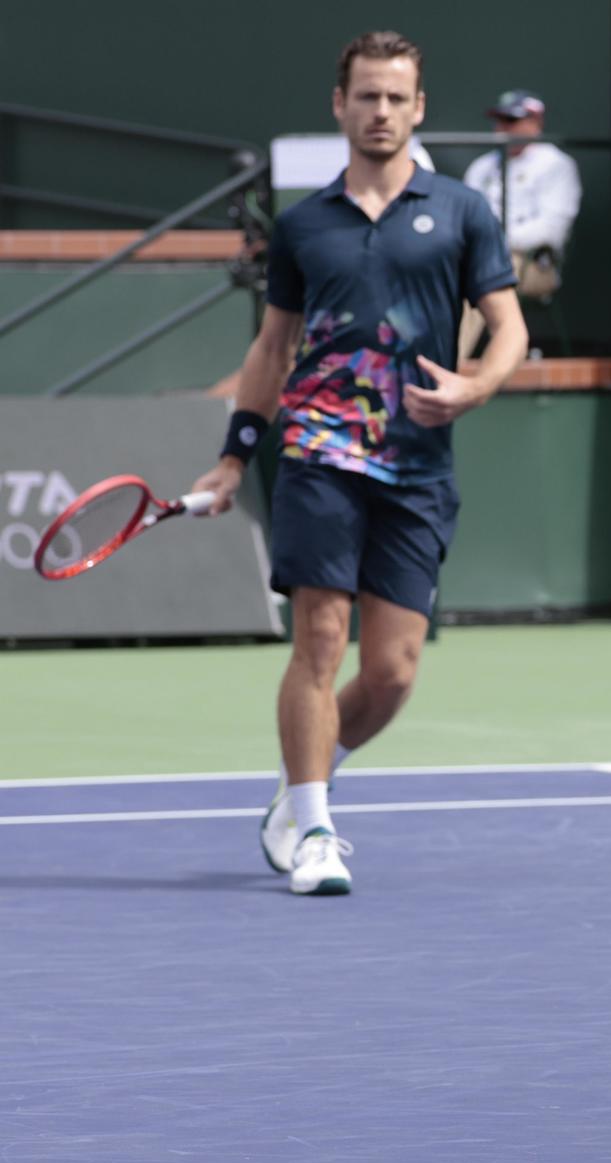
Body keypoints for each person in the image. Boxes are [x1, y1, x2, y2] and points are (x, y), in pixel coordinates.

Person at [192, 30, 527, 895]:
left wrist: (476, 387)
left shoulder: (461, 212)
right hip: (318, 451)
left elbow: (510, 326)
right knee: (321, 640)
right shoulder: (302, 226)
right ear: (339, 106)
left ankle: (301, 789)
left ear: (418, 109)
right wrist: (234, 458)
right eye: (366, 96)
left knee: (392, 672)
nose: (380, 112)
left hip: (418, 463)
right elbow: (272, 349)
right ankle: (314, 830)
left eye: (396, 98)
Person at [457, 90, 582, 361]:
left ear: (535, 123)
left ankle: (446, 367)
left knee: (483, 273)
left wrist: (488, 243)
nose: (502, 128)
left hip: (534, 265)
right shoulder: (482, 167)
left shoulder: (556, 165)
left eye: (511, 121)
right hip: (477, 257)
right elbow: (462, 221)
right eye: (499, 120)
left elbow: (551, 230)